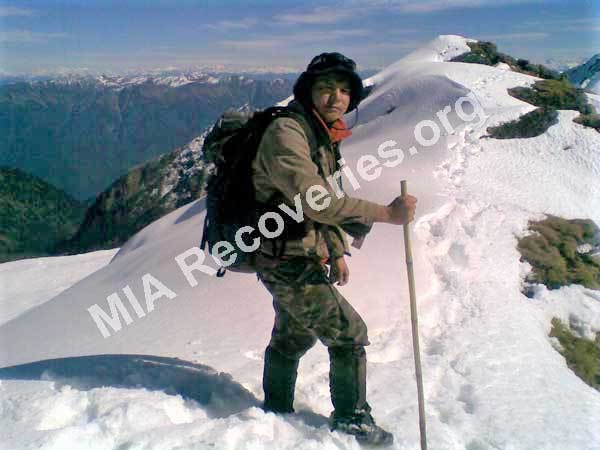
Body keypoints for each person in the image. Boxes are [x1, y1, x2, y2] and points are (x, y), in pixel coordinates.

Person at [252, 52, 417, 446]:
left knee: (293, 337)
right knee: (348, 334)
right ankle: (352, 421)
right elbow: (316, 201)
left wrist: (336, 251)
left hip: (293, 252)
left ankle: (275, 409)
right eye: (326, 88)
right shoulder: (287, 133)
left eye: (344, 90)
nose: (336, 97)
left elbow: (315, 204)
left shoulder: (320, 134)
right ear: (308, 91)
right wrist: (386, 214)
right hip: (283, 257)